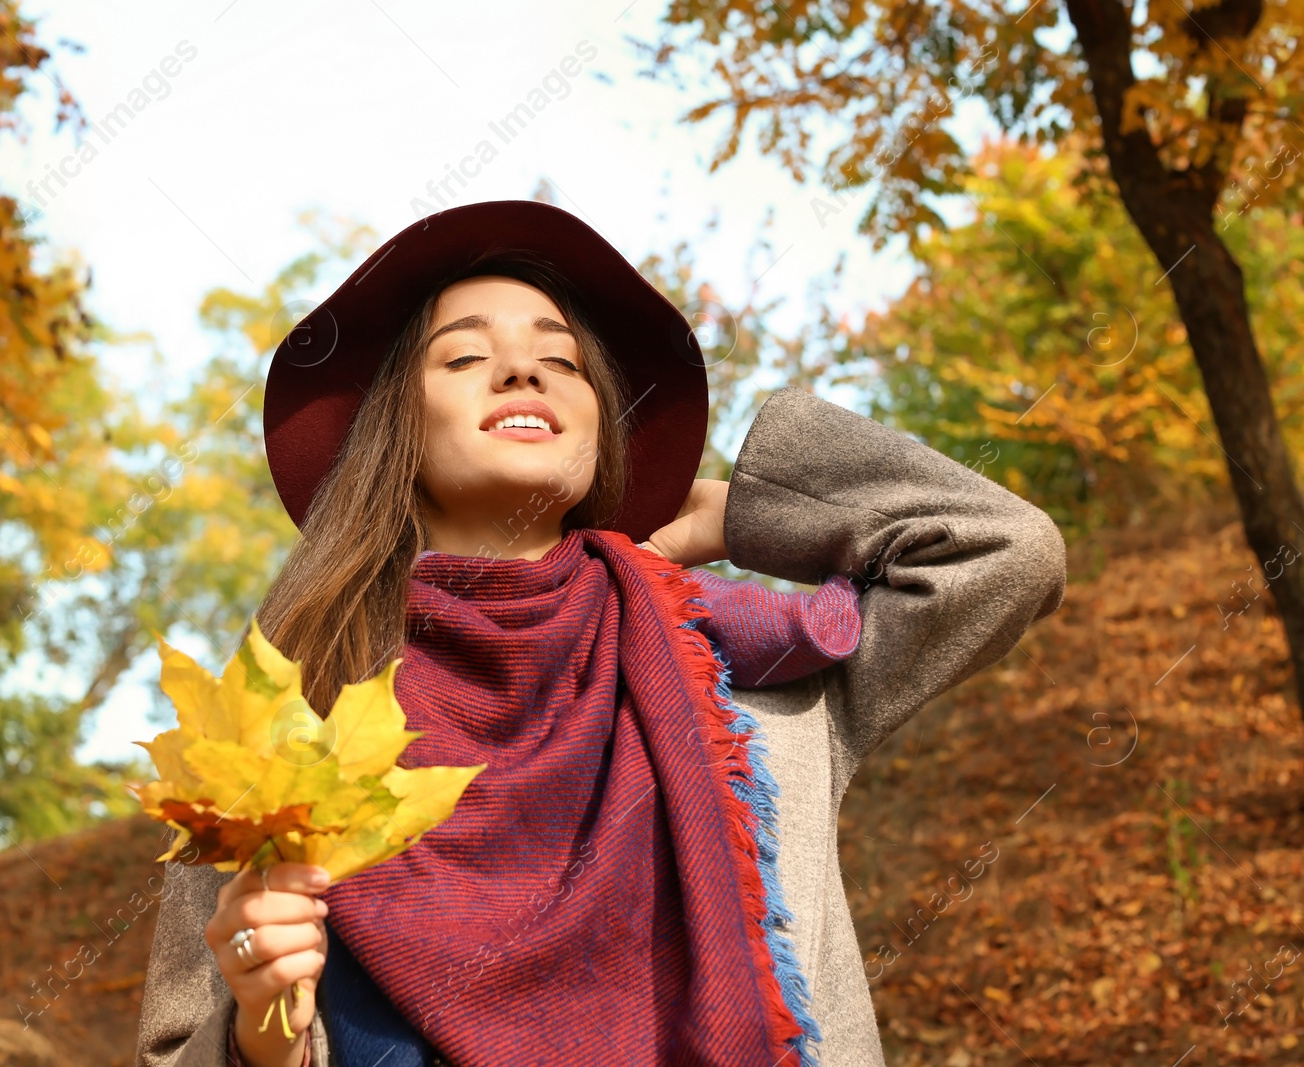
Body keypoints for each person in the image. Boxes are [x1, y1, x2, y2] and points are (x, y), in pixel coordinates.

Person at [134, 201, 1068, 1067]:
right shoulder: (286, 707)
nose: (521, 368)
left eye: (564, 359)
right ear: (395, 433)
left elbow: (1004, 552)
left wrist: (739, 511)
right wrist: (261, 1029)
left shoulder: (747, 675)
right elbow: (175, 1044)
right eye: (462, 358)